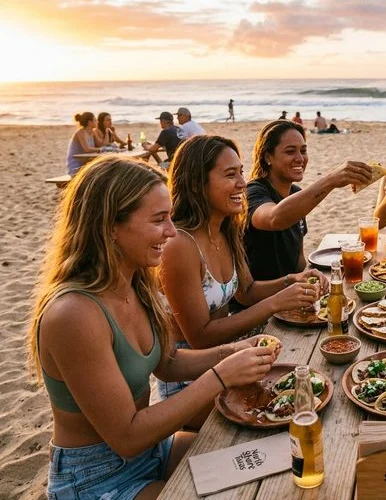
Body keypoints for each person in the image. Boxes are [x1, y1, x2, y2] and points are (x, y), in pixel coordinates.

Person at [29, 156, 281, 499]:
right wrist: (221, 375)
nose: (172, 231)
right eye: (160, 220)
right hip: (96, 477)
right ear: (110, 226)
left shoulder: (135, 282)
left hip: (154, 450)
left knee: (274, 458)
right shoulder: (73, 315)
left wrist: (234, 352)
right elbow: (127, 436)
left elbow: (168, 364)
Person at [158, 135, 325, 400]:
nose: (242, 184)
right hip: (191, 378)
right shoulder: (180, 244)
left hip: (231, 356)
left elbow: (246, 291)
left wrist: (292, 281)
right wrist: (275, 304)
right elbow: (200, 337)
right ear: (196, 183)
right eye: (229, 175)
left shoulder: (225, 228)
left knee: (310, 385)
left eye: (241, 172)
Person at [243, 120, 373, 281]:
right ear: (268, 157)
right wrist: (330, 181)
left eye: (303, 151)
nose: (300, 158)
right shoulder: (253, 191)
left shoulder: (297, 194)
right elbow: (274, 218)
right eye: (290, 151)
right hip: (260, 300)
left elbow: (298, 263)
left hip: (294, 293)